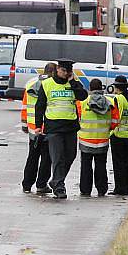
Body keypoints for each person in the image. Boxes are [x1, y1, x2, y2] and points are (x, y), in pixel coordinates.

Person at [33, 58, 87, 199]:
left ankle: (56, 180)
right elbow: (40, 106)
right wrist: (38, 126)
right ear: (57, 69)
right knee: (57, 158)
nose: (65, 73)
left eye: (68, 71)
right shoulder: (47, 84)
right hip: (53, 127)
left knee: (70, 156)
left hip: (70, 126)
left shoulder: (73, 84)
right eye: (63, 70)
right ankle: (59, 187)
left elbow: (83, 96)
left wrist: (73, 81)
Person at [21, 62, 56, 194]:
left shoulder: (30, 84)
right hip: (47, 128)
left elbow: (24, 106)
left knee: (32, 156)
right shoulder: (52, 86)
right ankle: (41, 184)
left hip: (33, 129)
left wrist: (25, 125)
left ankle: (27, 184)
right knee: (46, 158)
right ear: (53, 73)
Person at [76, 79, 114, 197]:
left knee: (86, 166)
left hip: (86, 140)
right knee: (101, 165)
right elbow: (114, 121)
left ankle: (85, 189)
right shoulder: (110, 103)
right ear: (101, 88)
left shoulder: (83, 102)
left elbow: (77, 119)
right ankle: (102, 189)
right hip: (102, 140)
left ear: (90, 89)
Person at [109, 75, 128, 196]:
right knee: (125, 163)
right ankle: (125, 189)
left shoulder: (118, 99)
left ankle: (119, 189)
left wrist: (110, 131)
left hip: (118, 135)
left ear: (117, 88)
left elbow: (116, 117)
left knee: (118, 163)